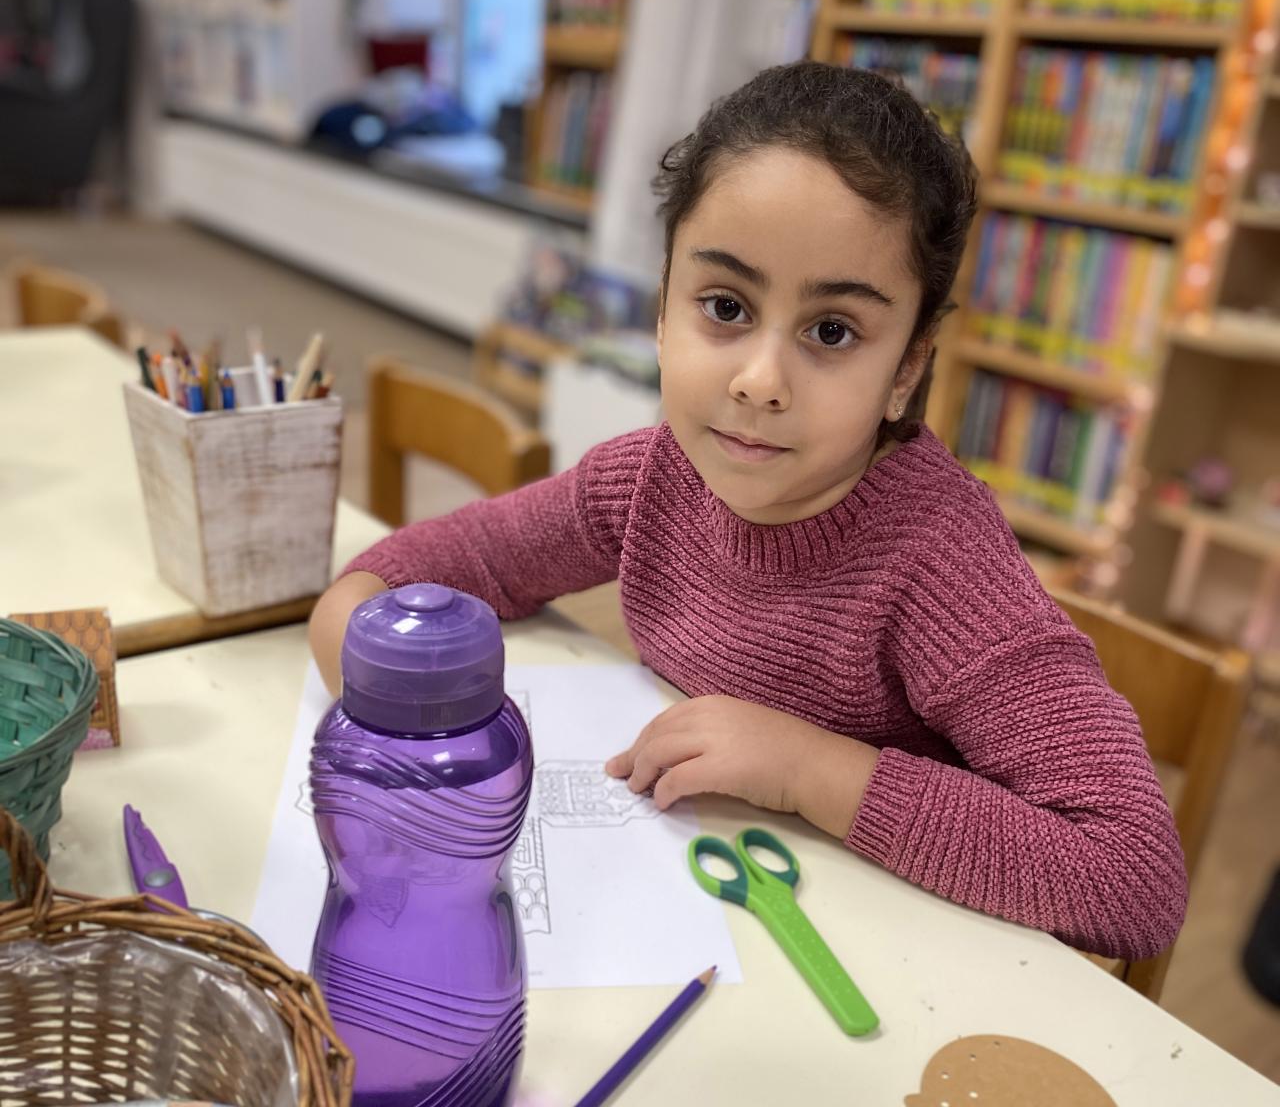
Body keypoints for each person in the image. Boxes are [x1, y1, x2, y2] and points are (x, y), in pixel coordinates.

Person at [310, 61, 1186, 961]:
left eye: (833, 331)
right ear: (661, 315)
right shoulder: (653, 477)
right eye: (724, 307)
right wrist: (357, 609)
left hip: (877, 966)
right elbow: (458, 558)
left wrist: (812, 770)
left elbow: (1134, 878)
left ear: (908, 370)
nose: (759, 382)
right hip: (700, 913)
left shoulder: (941, 567)